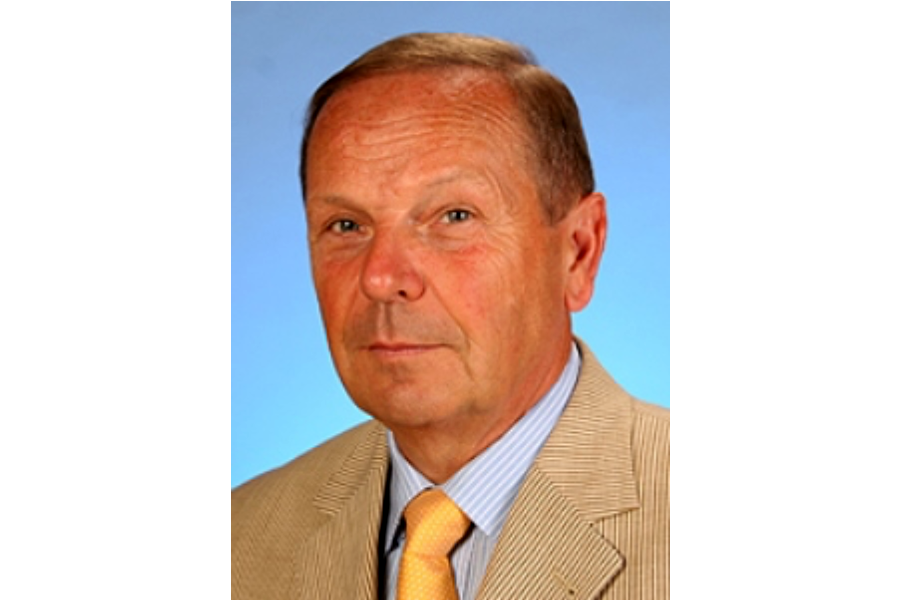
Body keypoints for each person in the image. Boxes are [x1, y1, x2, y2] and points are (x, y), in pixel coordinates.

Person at [231, 32, 670, 600]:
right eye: (346, 226)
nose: (380, 277)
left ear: (578, 252)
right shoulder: (245, 536)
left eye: (454, 216)